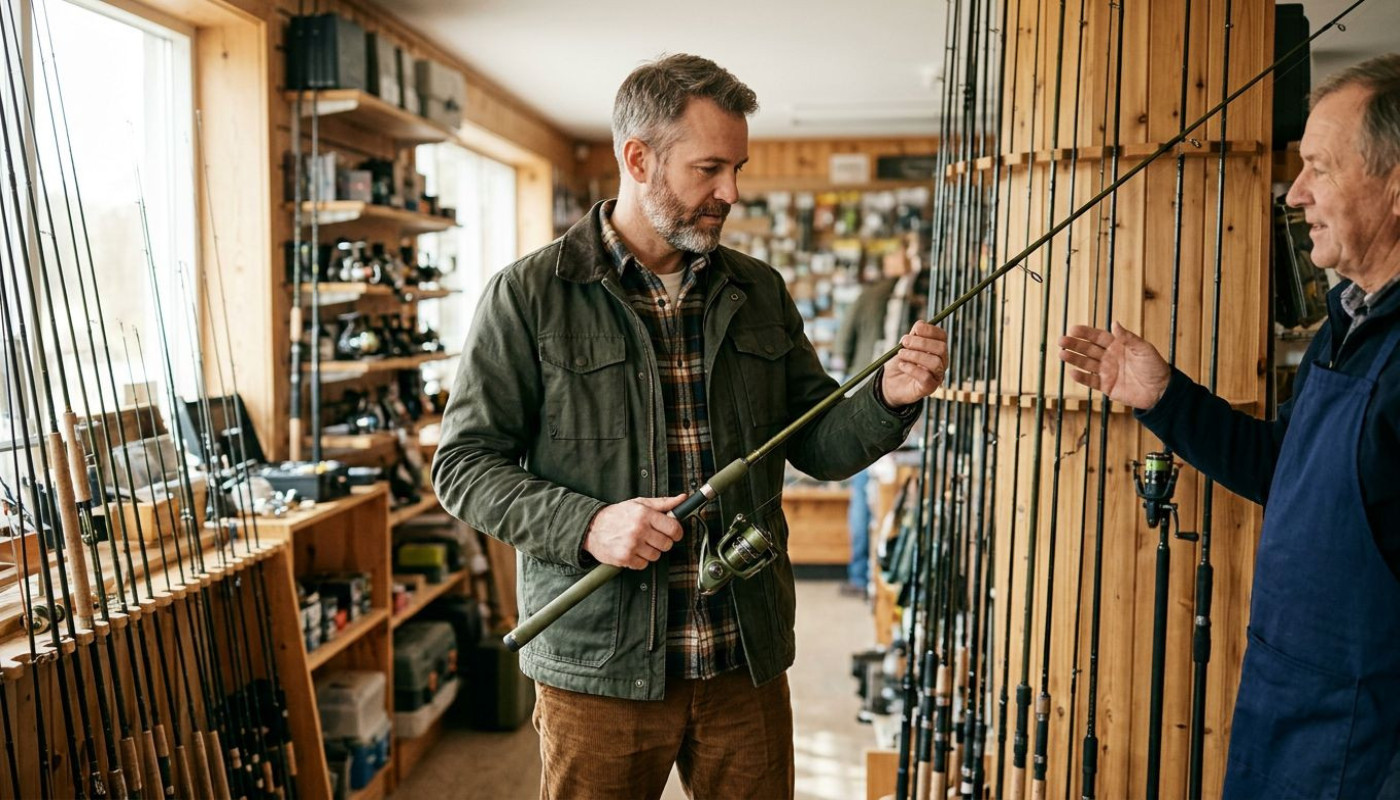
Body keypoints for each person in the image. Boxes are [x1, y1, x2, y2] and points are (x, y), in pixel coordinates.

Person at [431, 53, 949, 800]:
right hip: (598, 670)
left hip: (742, 656)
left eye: (737, 169)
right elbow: (464, 465)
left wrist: (888, 399)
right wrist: (589, 524)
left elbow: (817, 441)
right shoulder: (528, 295)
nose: (730, 191)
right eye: (710, 169)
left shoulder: (758, 289)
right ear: (638, 159)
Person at [1057, 53, 1400, 799]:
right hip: (1289, 713)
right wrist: (1165, 398)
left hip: (1367, 750)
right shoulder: (1346, 324)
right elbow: (1286, 471)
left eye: (1319, 168)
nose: (1295, 193)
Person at [833, 274, 900, 598]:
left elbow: (842, 345)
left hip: (865, 396)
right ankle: (877, 577)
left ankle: (862, 577)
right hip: (902, 402)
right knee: (879, 491)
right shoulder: (923, 291)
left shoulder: (871, 294)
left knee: (864, 491)